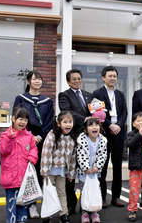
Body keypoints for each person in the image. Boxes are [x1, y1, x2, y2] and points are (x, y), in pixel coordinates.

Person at [13, 70, 54, 219]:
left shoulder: (47, 101)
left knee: (39, 173)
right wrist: (30, 135)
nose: (38, 81)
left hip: (42, 140)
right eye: (35, 79)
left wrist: (40, 136)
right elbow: (18, 119)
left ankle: (35, 205)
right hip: (25, 139)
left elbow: (50, 120)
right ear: (28, 82)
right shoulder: (21, 98)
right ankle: (26, 203)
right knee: (26, 173)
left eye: (40, 79)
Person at [58, 68, 94, 215]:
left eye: (79, 78)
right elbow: (66, 112)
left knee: (85, 171)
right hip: (72, 137)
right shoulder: (64, 95)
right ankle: (71, 205)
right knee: (70, 173)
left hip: (88, 138)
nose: (77, 81)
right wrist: (85, 119)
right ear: (68, 81)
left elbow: (94, 112)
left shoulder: (88, 95)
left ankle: (87, 204)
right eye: (74, 79)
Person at [93, 65, 127, 208]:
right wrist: (110, 125)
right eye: (110, 76)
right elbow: (96, 113)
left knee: (118, 166)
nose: (113, 78)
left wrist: (118, 125)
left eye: (114, 76)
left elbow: (124, 112)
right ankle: (101, 198)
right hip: (105, 134)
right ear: (103, 77)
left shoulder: (120, 94)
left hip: (118, 134)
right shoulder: (97, 93)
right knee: (103, 166)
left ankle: (116, 197)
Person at [0, 107, 38, 223]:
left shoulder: (29, 136)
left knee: (23, 205)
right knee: (11, 204)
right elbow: (3, 150)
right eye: (20, 119)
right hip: (10, 178)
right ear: (13, 119)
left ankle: (22, 220)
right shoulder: (5, 135)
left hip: (24, 178)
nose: (23, 122)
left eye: (26, 120)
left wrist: (31, 158)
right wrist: (10, 138)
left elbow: (33, 149)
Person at [40, 111, 76, 223]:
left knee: (62, 192)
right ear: (58, 123)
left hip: (62, 171)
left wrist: (71, 173)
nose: (68, 125)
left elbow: (72, 158)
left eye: (70, 122)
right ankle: (47, 215)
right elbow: (46, 153)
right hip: (50, 171)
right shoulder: (52, 136)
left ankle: (63, 214)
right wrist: (45, 171)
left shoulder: (72, 138)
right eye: (65, 122)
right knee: (48, 193)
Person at [76, 118, 108, 223]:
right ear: (85, 130)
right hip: (84, 173)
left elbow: (103, 155)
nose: (94, 127)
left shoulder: (102, 140)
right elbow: (80, 155)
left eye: (96, 125)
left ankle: (95, 212)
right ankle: (84, 213)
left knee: (95, 191)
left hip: (95, 173)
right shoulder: (82, 140)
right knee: (84, 192)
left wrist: (97, 167)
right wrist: (86, 168)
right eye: (91, 125)